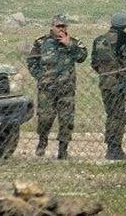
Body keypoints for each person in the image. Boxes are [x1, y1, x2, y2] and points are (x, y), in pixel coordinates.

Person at [27, 14, 88, 160]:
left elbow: (82, 57)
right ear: (52, 27)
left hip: (66, 88)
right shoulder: (41, 42)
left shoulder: (74, 42)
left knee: (66, 120)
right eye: (58, 26)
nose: (61, 29)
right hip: (47, 89)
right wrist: (41, 77)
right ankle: (42, 141)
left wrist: (69, 45)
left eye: (63, 26)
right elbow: (32, 62)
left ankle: (63, 150)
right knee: (45, 118)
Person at [91, 12, 126, 160]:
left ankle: (111, 146)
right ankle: (114, 148)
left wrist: (106, 75)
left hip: (105, 84)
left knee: (111, 114)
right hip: (121, 84)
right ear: (125, 25)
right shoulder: (124, 41)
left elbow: (94, 63)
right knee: (118, 116)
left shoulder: (99, 40)